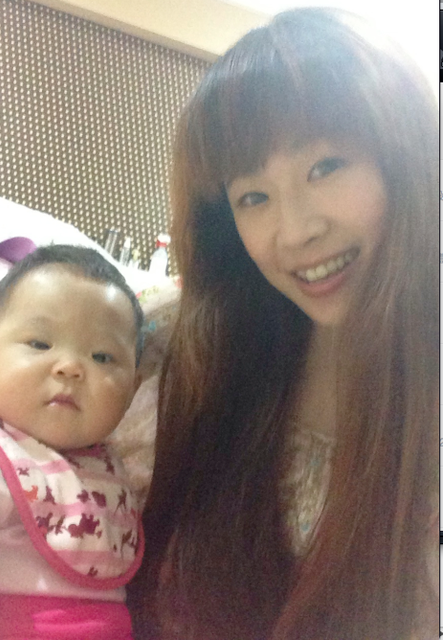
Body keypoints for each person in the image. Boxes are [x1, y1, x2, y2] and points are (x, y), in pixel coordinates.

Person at [129, 8, 438, 640]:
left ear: (403, 156)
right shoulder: (185, 350)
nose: (295, 232)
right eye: (253, 197)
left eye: (325, 166)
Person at [0, 244, 145, 640]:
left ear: (132, 391)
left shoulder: (112, 471)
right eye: (40, 344)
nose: (70, 367)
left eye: (102, 357)